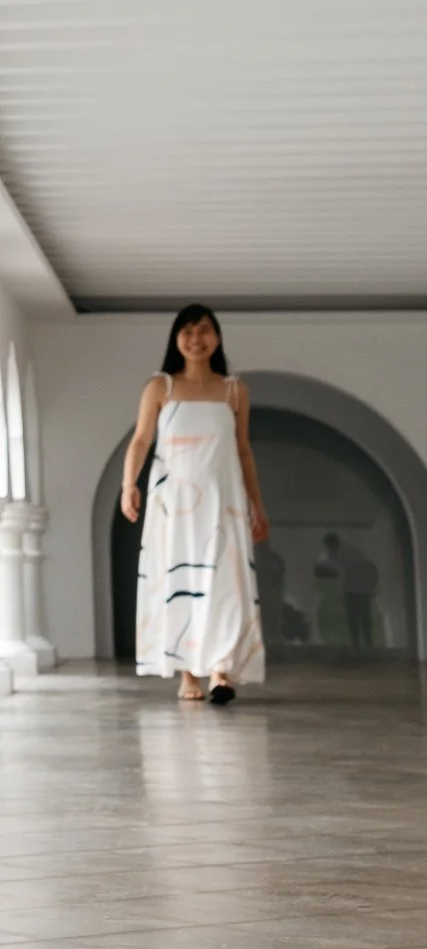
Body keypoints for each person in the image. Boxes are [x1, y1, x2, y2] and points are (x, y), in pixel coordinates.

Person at [120, 302, 268, 705]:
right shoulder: (160, 388)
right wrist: (128, 484)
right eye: (187, 331)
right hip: (175, 505)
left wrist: (257, 505)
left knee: (226, 584)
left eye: (204, 330)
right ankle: (188, 672)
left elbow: (243, 452)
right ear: (176, 339)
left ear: (217, 338)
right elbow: (141, 440)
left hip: (225, 504)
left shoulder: (234, 390)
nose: (196, 339)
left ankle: (221, 669)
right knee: (179, 581)